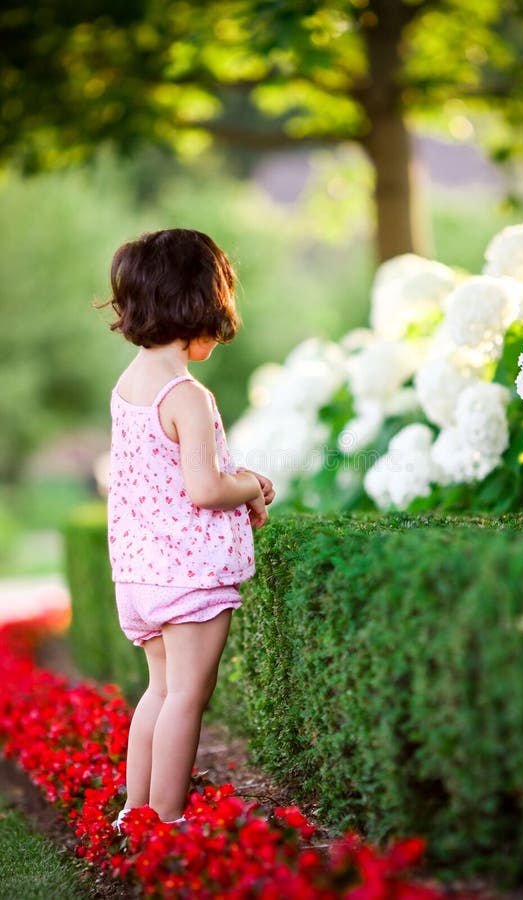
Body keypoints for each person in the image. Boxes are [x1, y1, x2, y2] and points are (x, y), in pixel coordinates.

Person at [100, 228, 274, 829]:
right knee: (187, 699)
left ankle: (134, 811)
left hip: (141, 574)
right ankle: (167, 821)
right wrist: (252, 484)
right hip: (189, 577)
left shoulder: (130, 386)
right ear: (201, 304)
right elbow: (205, 489)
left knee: (158, 692)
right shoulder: (187, 396)